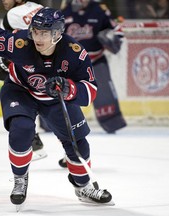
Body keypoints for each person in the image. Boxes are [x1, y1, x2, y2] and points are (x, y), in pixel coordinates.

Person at [0, 7, 113, 207]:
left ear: (58, 34)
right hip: (19, 91)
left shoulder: (75, 53)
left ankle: (83, 187)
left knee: (78, 143)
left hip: (55, 99)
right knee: (21, 129)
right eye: (35, 31)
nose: (38, 38)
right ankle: (19, 179)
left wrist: (69, 88)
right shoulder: (20, 43)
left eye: (44, 33)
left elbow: (90, 90)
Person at [58, 0, 127, 168]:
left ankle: (111, 123)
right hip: (72, 64)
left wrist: (114, 38)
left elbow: (116, 29)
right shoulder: (65, 13)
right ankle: (67, 143)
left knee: (104, 95)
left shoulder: (100, 10)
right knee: (66, 102)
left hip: (96, 61)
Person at [0, 0, 47, 161]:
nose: (4, 1)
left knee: (21, 95)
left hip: (32, 66)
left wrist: (3, 64)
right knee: (55, 106)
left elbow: (10, 47)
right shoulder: (38, 7)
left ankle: (33, 142)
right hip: (52, 60)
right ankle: (73, 152)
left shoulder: (10, 16)